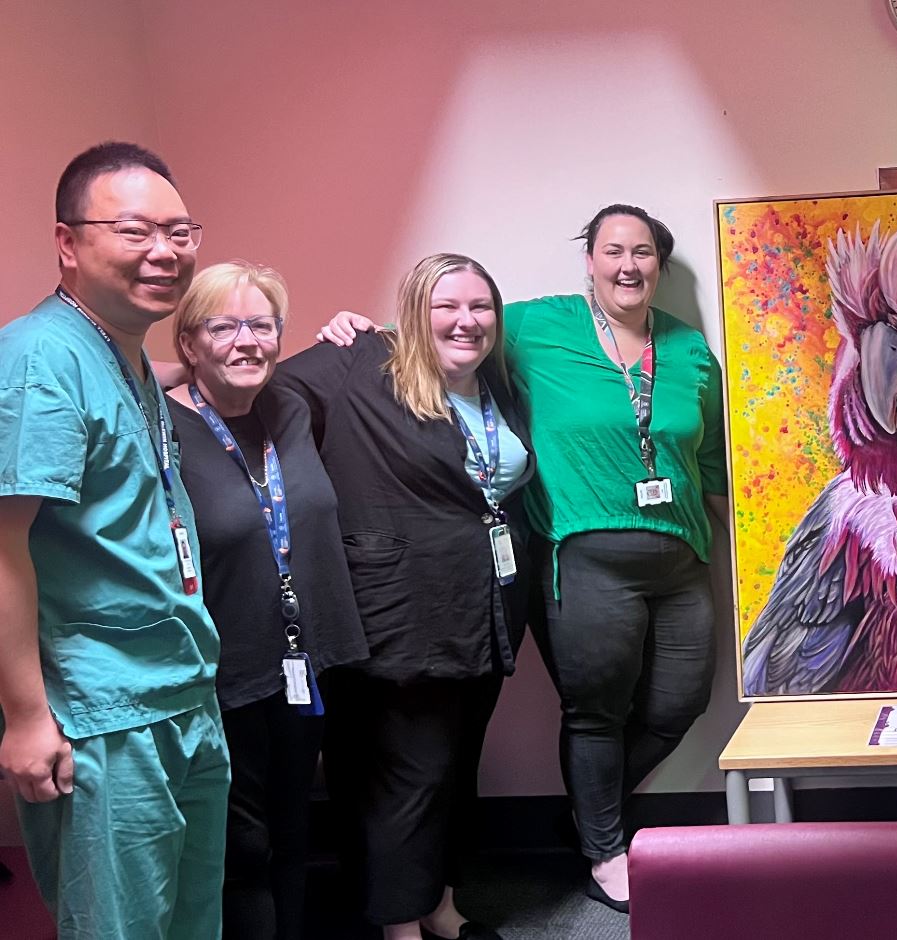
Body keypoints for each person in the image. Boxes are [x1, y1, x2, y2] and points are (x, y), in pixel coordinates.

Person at [319, 204, 724, 913]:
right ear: (590, 260)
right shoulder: (535, 327)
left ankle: (584, 810)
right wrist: (354, 332)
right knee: (595, 709)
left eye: (643, 252)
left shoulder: (689, 348)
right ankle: (604, 847)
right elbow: (446, 335)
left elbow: (713, 458)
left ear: (659, 263)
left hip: (682, 555)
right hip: (581, 555)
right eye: (612, 251)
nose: (628, 265)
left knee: (679, 701)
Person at [0, 141, 228, 938]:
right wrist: (26, 717)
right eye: (135, 232)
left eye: (180, 231)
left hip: (180, 691)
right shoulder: (40, 360)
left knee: (192, 919)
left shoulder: (126, 355)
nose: (164, 252)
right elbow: (2, 547)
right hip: (102, 713)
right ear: (68, 243)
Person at [277, 253, 533, 940]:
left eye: (480, 307)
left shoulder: (494, 387)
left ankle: (441, 906)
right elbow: (265, 392)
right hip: (396, 614)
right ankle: (398, 926)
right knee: (403, 777)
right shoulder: (361, 362)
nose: (466, 320)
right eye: (446, 306)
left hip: (481, 613)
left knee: (453, 768)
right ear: (412, 312)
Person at [167, 261, 368, 940]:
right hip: (224, 669)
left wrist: (353, 325)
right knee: (242, 845)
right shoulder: (158, 427)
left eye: (262, 325)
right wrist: (162, 374)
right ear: (188, 344)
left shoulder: (289, 402)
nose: (246, 341)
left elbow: (365, 346)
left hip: (304, 661)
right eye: (223, 327)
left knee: (293, 829)